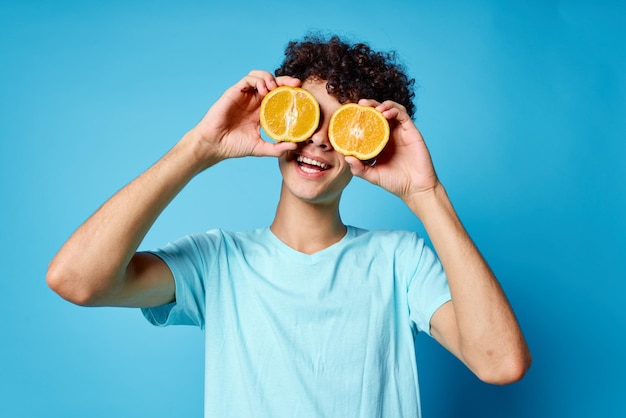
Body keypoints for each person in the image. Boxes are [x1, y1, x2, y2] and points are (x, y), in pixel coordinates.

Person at [47, 34, 531, 417]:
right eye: (308, 117)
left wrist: (426, 195)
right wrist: (200, 147)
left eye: (342, 127)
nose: (319, 139)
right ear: (278, 122)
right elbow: (76, 280)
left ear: (369, 145)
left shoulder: (400, 261)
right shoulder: (218, 262)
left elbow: (500, 363)